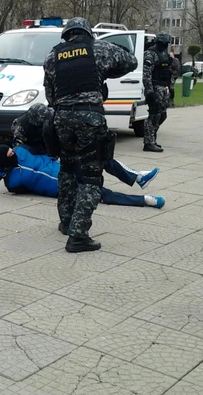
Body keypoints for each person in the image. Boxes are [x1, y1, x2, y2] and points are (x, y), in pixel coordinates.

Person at [43, 17, 137, 253]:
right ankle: (78, 235)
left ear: (67, 34)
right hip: (89, 119)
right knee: (91, 176)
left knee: (67, 170)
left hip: (62, 120)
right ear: (87, 32)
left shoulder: (52, 57)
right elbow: (131, 62)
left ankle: (66, 222)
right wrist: (104, 73)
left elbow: (51, 97)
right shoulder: (99, 49)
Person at [0, 144, 164, 210]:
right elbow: (26, 189)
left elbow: (42, 149)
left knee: (100, 159)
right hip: (63, 186)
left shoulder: (21, 150)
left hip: (66, 167)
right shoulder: (12, 182)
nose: (13, 153)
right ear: (5, 159)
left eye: (12, 150)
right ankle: (146, 200)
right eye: (10, 154)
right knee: (101, 193)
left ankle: (138, 177)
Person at [143, 32, 172, 152]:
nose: (164, 45)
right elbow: (146, 75)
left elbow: (168, 71)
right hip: (155, 88)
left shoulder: (164, 54)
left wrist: (171, 87)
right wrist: (150, 92)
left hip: (164, 88)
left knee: (162, 115)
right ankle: (149, 142)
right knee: (153, 114)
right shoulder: (150, 54)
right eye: (163, 43)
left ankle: (152, 137)